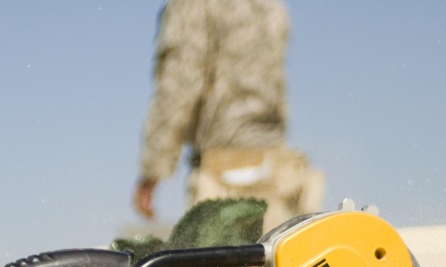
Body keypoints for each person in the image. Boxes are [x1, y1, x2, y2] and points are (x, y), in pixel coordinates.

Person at [133, 0, 324, 232]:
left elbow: (179, 86)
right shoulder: (270, 5)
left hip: (221, 178)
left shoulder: (193, 5)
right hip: (277, 173)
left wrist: (152, 171)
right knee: (279, 264)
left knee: (217, 265)